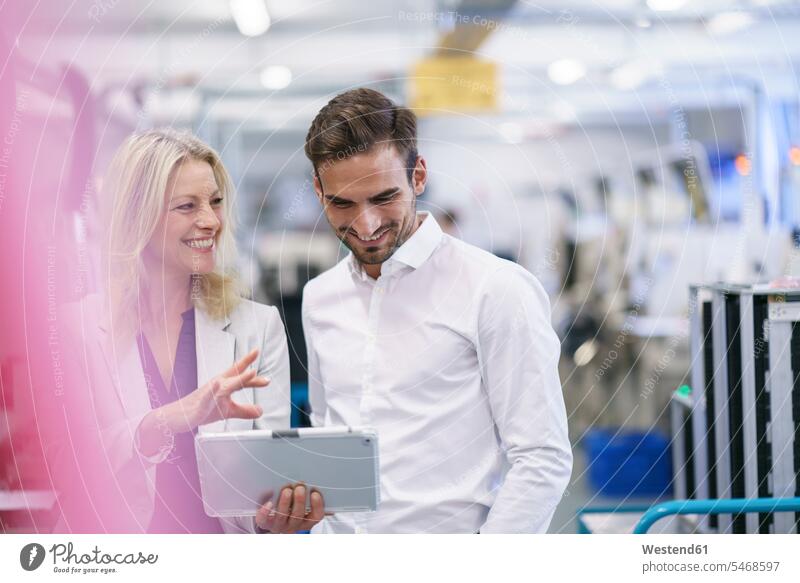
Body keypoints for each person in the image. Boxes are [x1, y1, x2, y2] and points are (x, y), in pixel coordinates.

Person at [301, 88, 572, 533]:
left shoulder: (495, 289)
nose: (366, 225)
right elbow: (329, 436)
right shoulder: (319, 298)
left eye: (384, 197)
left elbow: (541, 458)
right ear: (318, 190)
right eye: (342, 203)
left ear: (419, 176)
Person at [50, 129, 322, 533]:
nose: (210, 221)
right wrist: (164, 421)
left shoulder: (257, 327)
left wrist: (275, 516)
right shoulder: (77, 330)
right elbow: (62, 467)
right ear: (136, 216)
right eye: (186, 206)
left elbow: (268, 479)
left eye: (215, 202)